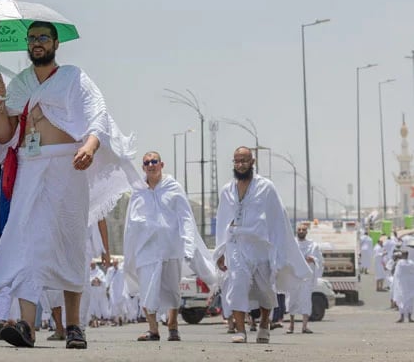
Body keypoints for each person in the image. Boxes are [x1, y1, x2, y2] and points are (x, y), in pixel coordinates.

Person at [0, 20, 140, 350]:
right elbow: (5, 137)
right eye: (32, 38)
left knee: (70, 243)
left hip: (68, 165)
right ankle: (26, 326)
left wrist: (90, 147)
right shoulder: (19, 84)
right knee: (26, 244)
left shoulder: (75, 79)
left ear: (55, 43)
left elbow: (97, 115)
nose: (37, 43)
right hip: (30, 169)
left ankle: (75, 326)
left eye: (43, 38)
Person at [214, 146, 311, 344]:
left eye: (244, 161)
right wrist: (221, 251)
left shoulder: (266, 187)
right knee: (237, 282)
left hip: (260, 246)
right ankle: (241, 330)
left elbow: (278, 220)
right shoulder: (227, 190)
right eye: (237, 161)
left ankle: (265, 323)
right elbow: (222, 220)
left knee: (266, 289)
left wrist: (278, 251)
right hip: (236, 245)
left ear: (253, 162)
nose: (240, 165)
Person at [124, 151, 216, 342]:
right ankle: (153, 329)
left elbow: (185, 217)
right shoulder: (138, 191)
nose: (151, 165)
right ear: (143, 167)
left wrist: (188, 243)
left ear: (161, 164)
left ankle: (173, 326)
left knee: (172, 290)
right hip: (146, 249)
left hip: (170, 247)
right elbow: (130, 223)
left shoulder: (173, 187)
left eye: (154, 161)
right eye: (147, 162)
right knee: (147, 289)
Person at [286, 222, 324, 334]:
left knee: (306, 301)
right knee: (291, 300)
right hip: (294, 276)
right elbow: (286, 257)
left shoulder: (312, 245)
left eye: (303, 230)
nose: (301, 231)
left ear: (307, 232)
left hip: (306, 278)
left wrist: (313, 259)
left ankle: (304, 326)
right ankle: (291, 325)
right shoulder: (291, 244)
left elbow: (319, 260)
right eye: (299, 230)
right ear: (296, 231)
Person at [392, 239, 414, 322]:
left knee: (401, 299)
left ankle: (402, 317)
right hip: (410, 283)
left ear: (403, 255)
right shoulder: (411, 262)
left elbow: (396, 273)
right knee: (410, 300)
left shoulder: (400, 262)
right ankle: (409, 318)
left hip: (402, 283)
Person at [106, 258, 127, 327]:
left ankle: (122, 318)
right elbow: (107, 279)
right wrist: (107, 287)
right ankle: (116, 319)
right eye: (113, 263)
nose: (115, 264)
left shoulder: (121, 270)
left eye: (116, 263)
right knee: (113, 304)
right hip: (113, 290)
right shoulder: (110, 270)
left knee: (121, 304)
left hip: (120, 289)